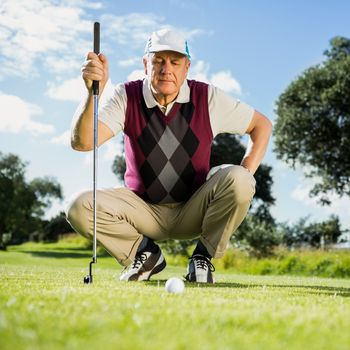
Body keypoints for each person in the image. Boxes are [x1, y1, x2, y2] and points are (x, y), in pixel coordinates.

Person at [66, 29, 272, 284]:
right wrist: (91, 93)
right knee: (78, 207)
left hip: (193, 209)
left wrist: (241, 185)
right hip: (142, 210)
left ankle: (202, 257)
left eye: (175, 62)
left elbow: (262, 125)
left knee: (240, 178)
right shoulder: (126, 96)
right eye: (158, 61)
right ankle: (145, 254)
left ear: (187, 67)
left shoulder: (206, 97)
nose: (166, 69)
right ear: (145, 65)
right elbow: (83, 142)